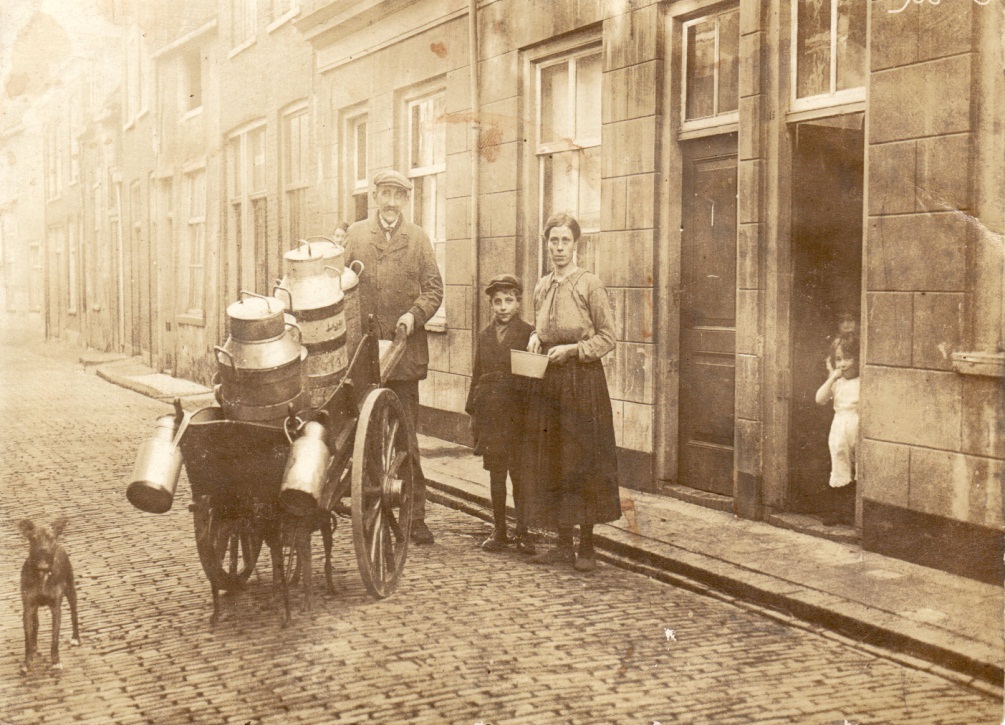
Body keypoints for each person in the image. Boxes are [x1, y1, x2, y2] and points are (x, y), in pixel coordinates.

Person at [343, 169, 444, 545]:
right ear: (375, 196)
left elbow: (434, 289)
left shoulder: (417, 240)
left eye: (397, 195)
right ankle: (373, 507)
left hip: (403, 355)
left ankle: (414, 516)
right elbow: (336, 284)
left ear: (406, 199)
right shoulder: (355, 236)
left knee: (406, 439)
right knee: (366, 437)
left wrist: (414, 315)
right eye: (384, 193)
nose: (389, 201)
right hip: (364, 355)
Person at [521, 212, 621, 572]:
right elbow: (540, 327)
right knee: (553, 459)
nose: (559, 248)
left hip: (582, 382)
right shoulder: (542, 285)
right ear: (546, 244)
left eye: (565, 241)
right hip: (550, 382)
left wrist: (575, 351)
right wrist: (535, 336)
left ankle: (587, 547)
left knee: (583, 460)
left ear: (576, 244)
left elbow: (608, 337)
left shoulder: (589, 284)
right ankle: (562, 543)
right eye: (553, 241)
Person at [465, 273, 536, 555]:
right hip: (491, 415)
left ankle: (523, 532)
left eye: (509, 301)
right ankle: (500, 531)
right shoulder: (484, 336)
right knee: (496, 475)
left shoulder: (528, 333)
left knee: (519, 476)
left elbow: (534, 378)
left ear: (518, 303)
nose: (503, 307)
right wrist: (472, 412)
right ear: (491, 305)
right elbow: (476, 374)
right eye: (498, 302)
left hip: (518, 415)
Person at [815, 331, 860, 527]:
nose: (843, 364)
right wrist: (831, 377)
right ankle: (837, 511)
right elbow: (820, 399)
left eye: (848, 358)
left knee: (859, 465)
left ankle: (854, 512)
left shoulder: (863, 381)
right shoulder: (838, 382)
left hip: (858, 424)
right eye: (839, 359)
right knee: (839, 463)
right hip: (840, 426)